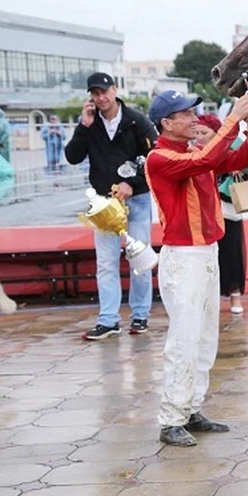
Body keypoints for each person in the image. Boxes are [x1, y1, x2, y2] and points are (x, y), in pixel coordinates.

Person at [145, 90, 248, 447]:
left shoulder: (194, 152)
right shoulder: (159, 158)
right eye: (186, 113)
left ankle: (190, 408)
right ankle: (171, 419)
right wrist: (233, 120)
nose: (194, 117)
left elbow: (239, 157)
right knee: (184, 338)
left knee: (205, 337)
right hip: (184, 258)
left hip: (204, 253)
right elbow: (210, 159)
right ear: (167, 123)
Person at [64, 72, 158, 340]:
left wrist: (134, 182)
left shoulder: (136, 121)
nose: (101, 97)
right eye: (95, 93)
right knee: (105, 263)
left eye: (104, 91)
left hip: (136, 199)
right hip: (103, 204)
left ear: (115, 90)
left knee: (138, 259)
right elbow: (72, 157)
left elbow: (155, 157)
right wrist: (84, 125)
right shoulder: (90, 123)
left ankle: (140, 315)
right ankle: (108, 319)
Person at [194, 113, 248, 314]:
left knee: (231, 252)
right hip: (205, 211)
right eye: (196, 132)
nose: (199, 136)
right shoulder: (194, 152)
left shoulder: (231, 146)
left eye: (204, 132)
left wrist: (239, 170)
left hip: (228, 207)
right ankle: (210, 297)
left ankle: (235, 295)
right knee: (208, 256)